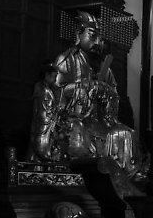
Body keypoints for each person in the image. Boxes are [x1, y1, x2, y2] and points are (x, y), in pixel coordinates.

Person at [29, 11, 140, 173]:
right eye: (92, 35)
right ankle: (87, 172)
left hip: (100, 120)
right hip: (76, 117)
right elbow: (57, 91)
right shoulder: (66, 59)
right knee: (77, 132)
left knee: (126, 133)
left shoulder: (105, 69)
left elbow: (115, 98)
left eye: (100, 38)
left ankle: (122, 175)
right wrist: (84, 86)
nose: (97, 42)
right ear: (79, 34)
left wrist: (106, 93)